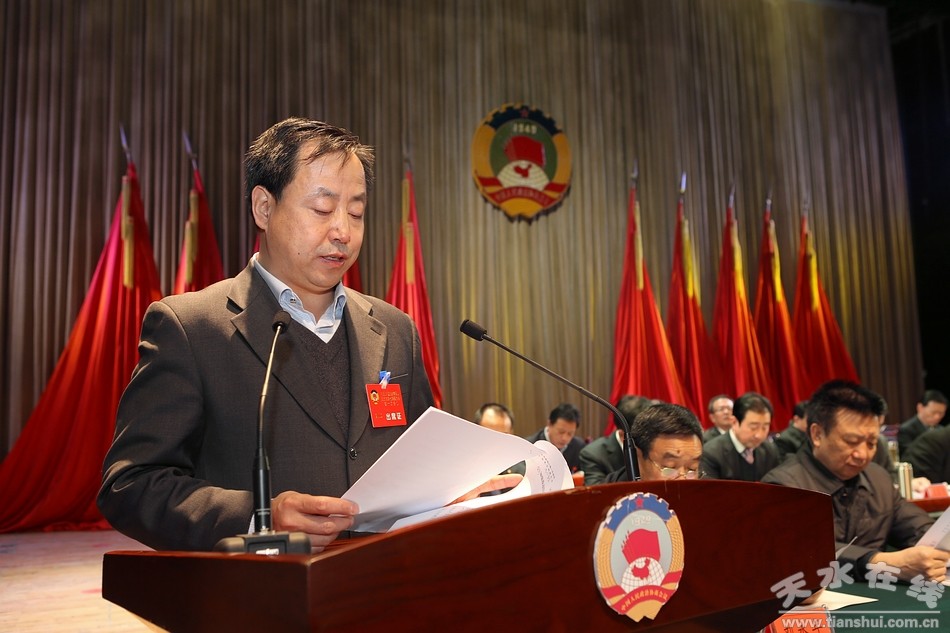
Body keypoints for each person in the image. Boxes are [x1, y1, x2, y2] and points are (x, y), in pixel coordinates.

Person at [97, 118, 514, 553]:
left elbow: (421, 465)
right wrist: (259, 516)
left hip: (384, 582)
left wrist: (449, 493)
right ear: (264, 207)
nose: (343, 231)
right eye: (322, 209)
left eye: (356, 212)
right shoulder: (191, 327)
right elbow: (130, 484)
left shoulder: (395, 330)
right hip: (263, 586)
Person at [762, 380, 947, 583]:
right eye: (851, 441)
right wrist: (882, 563)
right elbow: (805, 552)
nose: (862, 454)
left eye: (871, 443)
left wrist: (940, 544)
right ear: (817, 434)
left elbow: (915, 526)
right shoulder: (783, 487)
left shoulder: (878, 478)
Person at [604, 403, 704, 482]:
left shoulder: (708, 494)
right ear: (637, 458)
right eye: (669, 468)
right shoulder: (609, 497)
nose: (683, 480)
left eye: (692, 469)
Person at [700, 392, 779, 482]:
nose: (759, 435)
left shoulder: (770, 450)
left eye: (765, 427)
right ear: (734, 422)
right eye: (753, 427)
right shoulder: (711, 454)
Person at [579, 395, 651, 485]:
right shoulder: (593, 454)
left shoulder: (654, 447)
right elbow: (595, 490)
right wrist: (637, 464)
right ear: (622, 433)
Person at [524, 403, 585, 472]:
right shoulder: (530, 446)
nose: (564, 438)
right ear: (549, 424)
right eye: (561, 432)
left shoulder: (578, 446)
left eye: (570, 434)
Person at [897, 390, 948, 456]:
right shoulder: (906, 430)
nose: (937, 417)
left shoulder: (942, 430)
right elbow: (910, 454)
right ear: (920, 408)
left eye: (941, 413)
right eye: (933, 412)